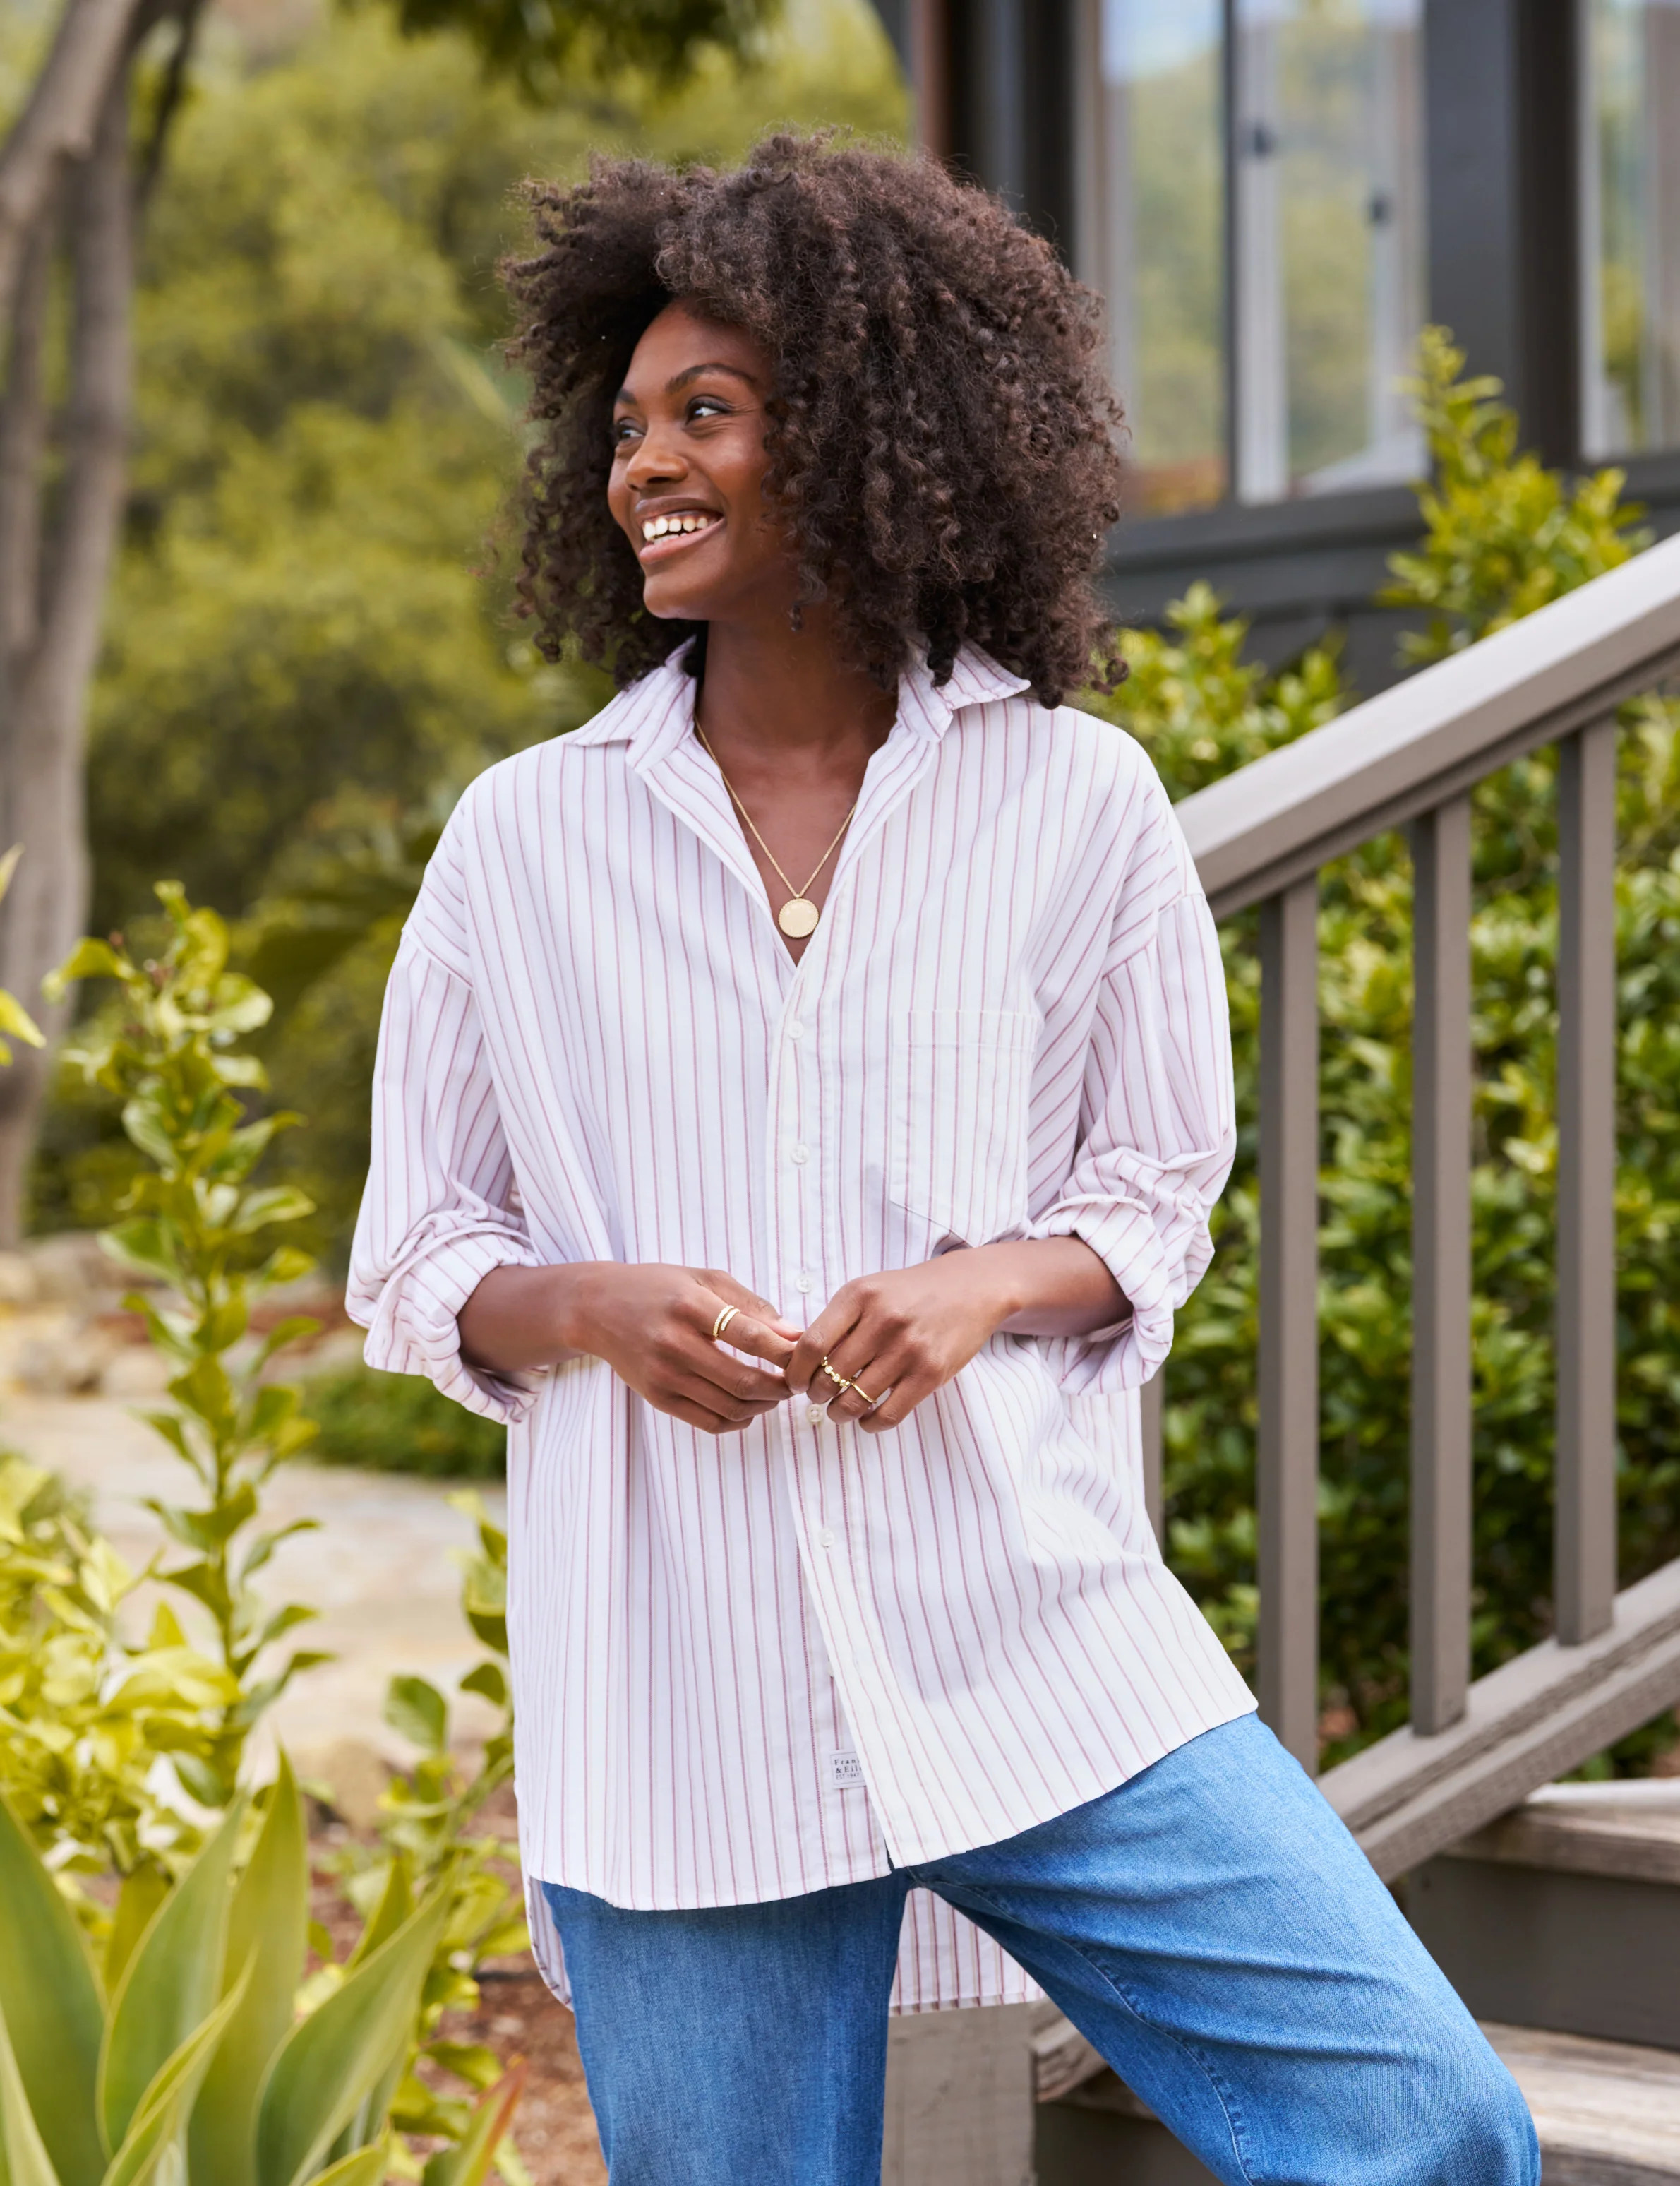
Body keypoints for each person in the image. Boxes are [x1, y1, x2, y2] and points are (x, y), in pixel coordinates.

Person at [347, 134, 1539, 2186]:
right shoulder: (520, 845)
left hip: (1032, 1643)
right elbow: (418, 1254)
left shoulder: (1074, 806)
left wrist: (987, 1279)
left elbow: (1153, 1189)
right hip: (682, 1703)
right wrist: (596, 1310)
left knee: (1422, 2128)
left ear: (875, 431)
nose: (646, 464)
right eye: (626, 426)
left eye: (706, 414)